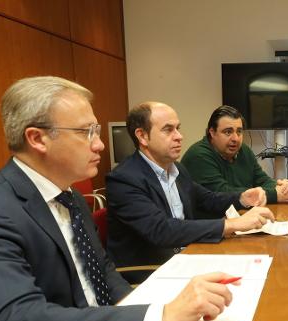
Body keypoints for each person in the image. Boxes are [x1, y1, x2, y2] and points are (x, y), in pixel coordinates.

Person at [0, 77, 237, 321]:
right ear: (37, 138)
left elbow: (103, 272)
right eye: (86, 132)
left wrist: (150, 309)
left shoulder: (69, 197)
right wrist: (156, 319)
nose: (99, 145)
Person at [106, 102, 274, 272]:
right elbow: (162, 230)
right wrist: (232, 224)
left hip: (189, 255)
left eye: (178, 128)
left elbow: (207, 198)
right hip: (153, 271)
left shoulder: (177, 169)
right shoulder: (123, 179)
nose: (179, 136)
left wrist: (242, 198)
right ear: (142, 136)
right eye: (168, 130)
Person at [181, 105, 288, 214]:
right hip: (211, 227)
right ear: (212, 132)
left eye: (239, 131)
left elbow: (261, 179)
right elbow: (223, 193)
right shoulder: (198, 156)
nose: (235, 138)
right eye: (228, 132)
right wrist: (274, 194)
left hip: (240, 218)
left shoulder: (243, 150)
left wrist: (281, 187)